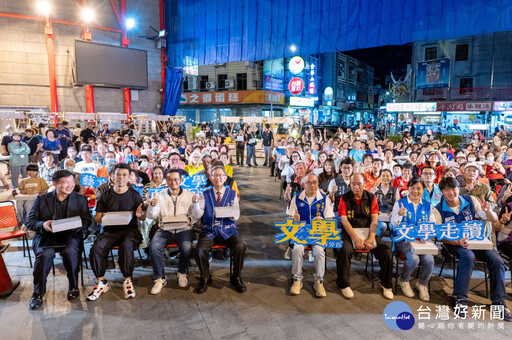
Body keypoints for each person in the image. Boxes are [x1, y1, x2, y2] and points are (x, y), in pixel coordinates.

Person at [433, 177, 511, 320]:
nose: (451, 193)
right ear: (442, 192)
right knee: (467, 257)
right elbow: (438, 235)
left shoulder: (470, 201)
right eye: (446, 190)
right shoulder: (438, 209)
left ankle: (498, 302)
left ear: (459, 188)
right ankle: (460, 299)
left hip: (477, 242)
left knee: (497, 260)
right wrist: (456, 241)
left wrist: (487, 211)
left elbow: (493, 219)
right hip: (454, 244)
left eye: (453, 188)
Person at [25, 170, 91, 310]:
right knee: (44, 255)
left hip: (70, 234)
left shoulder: (80, 199)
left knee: (70, 252)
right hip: (47, 235)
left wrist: (76, 225)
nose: (70, 186)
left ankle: (73, 285)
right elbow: (30, 222)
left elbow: (86, 220)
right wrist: (42, 224)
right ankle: (37, 293)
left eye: (72, 182)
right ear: (55, 184)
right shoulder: (42, 199)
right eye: (66, 183)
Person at [87, 163, 146, 301]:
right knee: (96, 249)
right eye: (118, 174)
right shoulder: (105, 196)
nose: (121, 178)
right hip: (109, 231)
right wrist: (105, 217)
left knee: (126, 247)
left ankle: (127, 280)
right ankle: (101, 281)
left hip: (129, 231)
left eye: (125, 175)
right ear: (112, 176)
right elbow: (97, 218)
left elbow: (142, 216)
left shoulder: (135, 195)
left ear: (129, 177)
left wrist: (140, 214)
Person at [336, 173, 394, 300]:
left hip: (368, 231)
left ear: (364, 184)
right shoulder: (344, 198)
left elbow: (374, 220)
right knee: (344, 250)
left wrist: (371, 238)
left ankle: (386, 284)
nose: (356, 186)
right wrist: (355, 238)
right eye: (353, 184)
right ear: (350, 184)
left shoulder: (371, 197)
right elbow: (344, 221)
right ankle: (343, 284)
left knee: (387, 252)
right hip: (349, 231)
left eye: (359, 184)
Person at [193, 165, 247, 294]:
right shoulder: (204, 194)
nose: (218, 178)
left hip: (228, 230)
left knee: (240, 246)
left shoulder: (232, 194)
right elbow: (198, 215)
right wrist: (195, 204)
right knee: (199, 250)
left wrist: (230, 212)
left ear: (225, 177)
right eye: (215, 175)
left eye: (220, 175)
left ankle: (236, 277)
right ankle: (205, 277)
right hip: (209, 230)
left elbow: (237, 215)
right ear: (211, 178)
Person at [147, 169, 201, 294]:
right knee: (154, 246)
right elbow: (151, 215)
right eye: (170, 179)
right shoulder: (160, 195)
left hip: (184, 229)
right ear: (166, 181)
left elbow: (197, 215)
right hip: (165, 229)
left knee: (186, 247)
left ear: (181, 180)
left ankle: (182, 273)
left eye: (176, 179)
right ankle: (160, 278)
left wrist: (195, 205)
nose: (173, 182)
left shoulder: (189, 194)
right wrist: (153, 205)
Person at [288, 173, 334, 297]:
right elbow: (290, 220)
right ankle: (297, 279)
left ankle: (319, 280)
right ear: (303, 184)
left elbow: (330, 219)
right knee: (297, 249)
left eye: (315, 182)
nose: (312, 185)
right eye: (309, 183)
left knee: (319, 251)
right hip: (301, 233)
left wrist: (323, 222)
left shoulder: (324, 199)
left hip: (318, 233)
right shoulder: (296, 199)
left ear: (318, 184)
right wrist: (295, 220)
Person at [390, 177, 435, 301]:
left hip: (422, 240)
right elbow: (393, 224)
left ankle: (422, 284)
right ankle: (403, 280)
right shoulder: (400, 204)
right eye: (412, 188)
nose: (415, 191)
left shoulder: (427, 205)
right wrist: (399, 215)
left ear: (423, 190)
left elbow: (432, 224)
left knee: (429, 260)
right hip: (404, 240)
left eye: (419, 188)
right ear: (408, 189)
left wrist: (426, 235)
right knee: (414, 258)